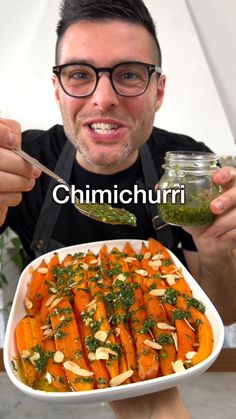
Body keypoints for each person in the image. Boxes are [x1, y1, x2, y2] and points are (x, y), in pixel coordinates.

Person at [0, 0, 235, 416]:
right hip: (52, 371)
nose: (103, 98)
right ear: (58, 89)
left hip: (159, 365)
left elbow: (222, 313)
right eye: (79, 75)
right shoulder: (23, 163)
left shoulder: (187, 168)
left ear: (158, 91)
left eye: (129, 74)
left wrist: (217, 246)